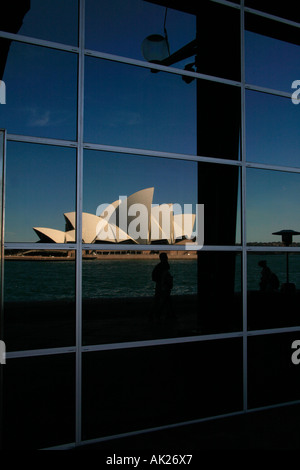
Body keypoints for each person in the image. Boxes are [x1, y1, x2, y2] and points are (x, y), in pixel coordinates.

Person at [152, 253, 174, 321]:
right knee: (164, 300)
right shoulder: (165, 265)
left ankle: (158, 315)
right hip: (163, 286)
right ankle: (158, 315)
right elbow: (164, 275)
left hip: (159, 285)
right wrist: (163, 285)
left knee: (162, 300)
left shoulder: (158, 266)